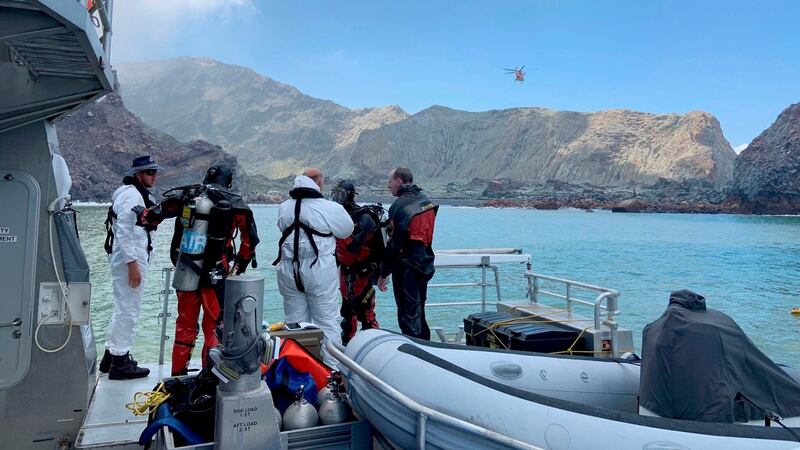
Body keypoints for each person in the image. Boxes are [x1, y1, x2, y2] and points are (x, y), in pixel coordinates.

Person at [169, 163, 260, 376]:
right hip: (216, 275)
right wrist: (238, 269)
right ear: (228, 181)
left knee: (184, 327)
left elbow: (154, 215)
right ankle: (208, 377)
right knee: (215, 327)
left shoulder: (189, 198)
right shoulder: (235, 203)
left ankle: (177, 375)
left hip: (187, 272)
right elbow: (250, 242)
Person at [274, 168, 353, 367]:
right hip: (319, 271)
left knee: (295, 325)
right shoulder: (329, 207)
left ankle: (298, 371)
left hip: (289, 271)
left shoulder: (284, 207)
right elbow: (346, 230)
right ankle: (332, 374)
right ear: (319, 183)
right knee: (328, 322)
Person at [100, 156, 159, 380]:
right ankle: (121, 363)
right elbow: (124, 231)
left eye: (154, 172)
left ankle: (111, 356)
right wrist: (132, 264)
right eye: (149, 172)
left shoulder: (129, 192)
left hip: (129, 257)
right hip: (129, 259)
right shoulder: (132, 195)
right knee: (129, 310)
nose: (153, 176)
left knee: (122, 306)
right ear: (138, 175)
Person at [377, 167, 438, 340]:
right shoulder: (426, 201)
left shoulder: (399, 206)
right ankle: (426, 346)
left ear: (398, 181)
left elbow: (394, 244)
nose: (389, 187)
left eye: (390, 182)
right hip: (424, 264)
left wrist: (383, 273)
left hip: (406, 268)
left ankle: (415, 352)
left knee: (407, 314)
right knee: (419, 310)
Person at [330, 180, 384, 345]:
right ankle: (348, 349)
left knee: (366, 314)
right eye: (335, 194)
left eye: (340, 195)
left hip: (362, 273)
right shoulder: (340, 217)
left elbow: (352, 246)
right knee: (347, 313)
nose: (336, 198)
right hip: (346, 272)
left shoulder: (365, 217)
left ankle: (374, 349)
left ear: (349, 196)